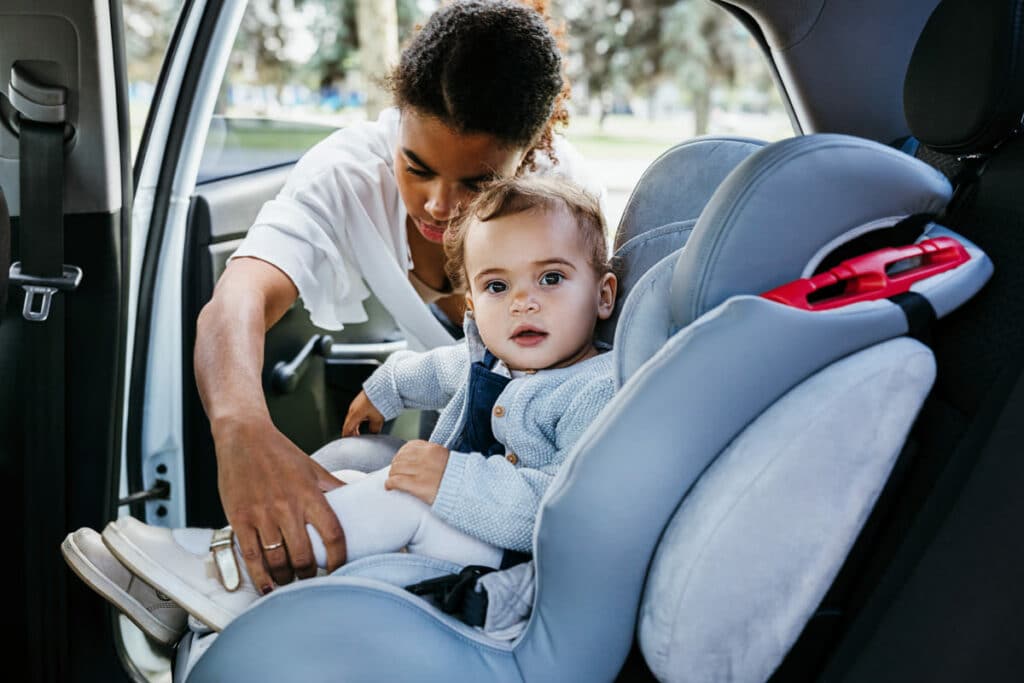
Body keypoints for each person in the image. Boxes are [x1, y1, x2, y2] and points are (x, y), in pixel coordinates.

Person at [62, 175, 619, 637]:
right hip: (469, 534)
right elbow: (444, 369)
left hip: (512, 571)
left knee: (400, 498)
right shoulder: (502, 361)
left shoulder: (594, 389)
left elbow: (562, 511)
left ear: (603, 294)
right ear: (472, 305)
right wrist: (387, 387)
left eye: (551, 278)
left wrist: (452, 480)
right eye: (498, 287)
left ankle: (235, 580)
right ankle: (187, 594)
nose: (524, 301)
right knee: (348, 477)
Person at [193, 0, 604, 601]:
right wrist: (240, 428)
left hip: (515, 491)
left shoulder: (561, 213)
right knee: (351, 465)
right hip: (460, 431)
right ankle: (264, 581)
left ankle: (237, 580)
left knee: (398, 500)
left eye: (478, 184)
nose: (439, 205)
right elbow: (237, 298)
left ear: (531, 153)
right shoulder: (348, 172)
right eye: (416, 167)